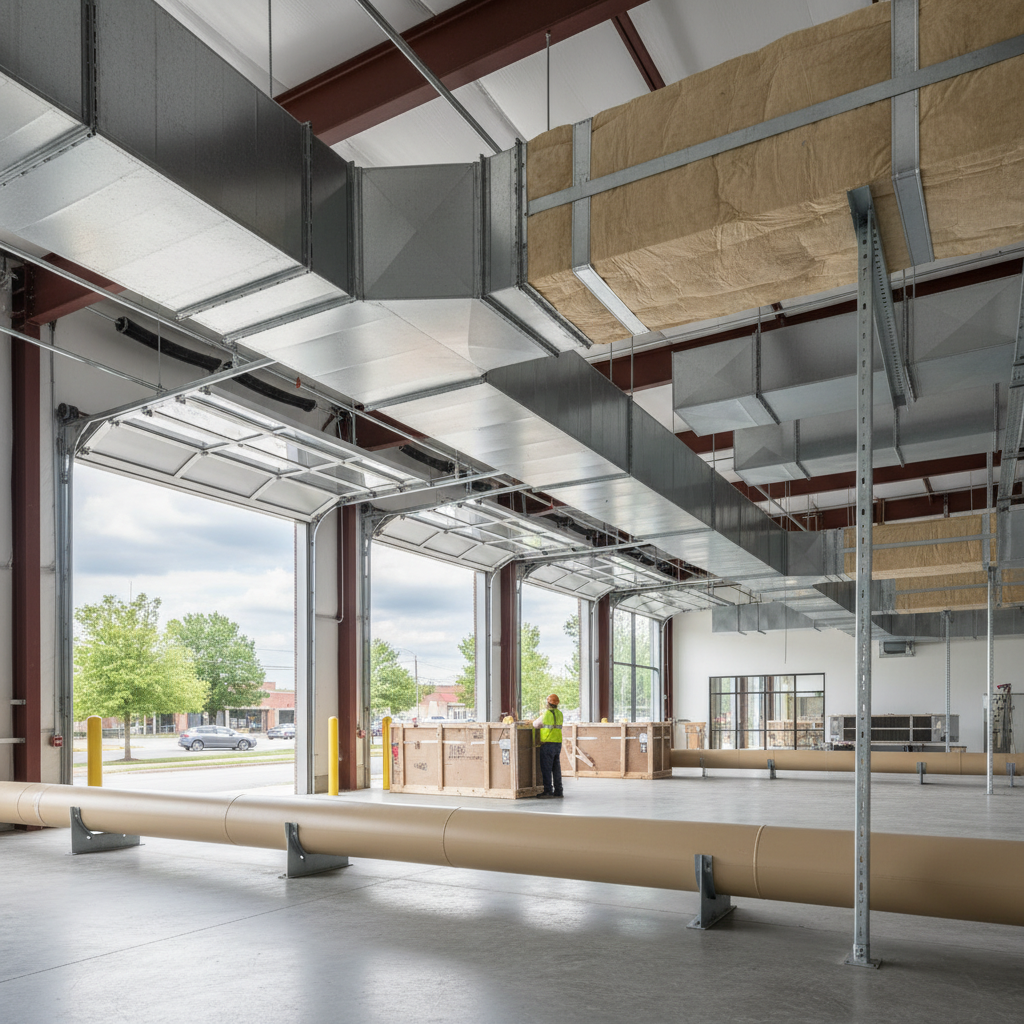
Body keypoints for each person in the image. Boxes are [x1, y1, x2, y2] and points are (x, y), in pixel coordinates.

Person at [532, 694, 564, 799]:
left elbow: (536, 725)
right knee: (556, 768)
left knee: (546, 768)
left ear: (548, 703)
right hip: (557, 743)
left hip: (547, 744)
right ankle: (559, 791)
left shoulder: (546, 714)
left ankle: (548, 791)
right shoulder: (560, 714)